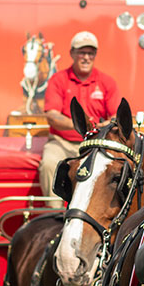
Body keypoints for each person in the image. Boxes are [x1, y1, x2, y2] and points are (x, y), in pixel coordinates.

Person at [38, 31, 121, 198]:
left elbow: (116, 116)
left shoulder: (107, 82)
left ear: (95, 55)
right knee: (48, 164)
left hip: (96, 143)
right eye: (81, 52)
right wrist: (83, 126)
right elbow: (52, 116)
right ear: (72, 54)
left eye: (90, 53)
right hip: (62, 142)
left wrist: (103, 126)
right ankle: (54, 215)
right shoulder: (58, 79)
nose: (86, 57)